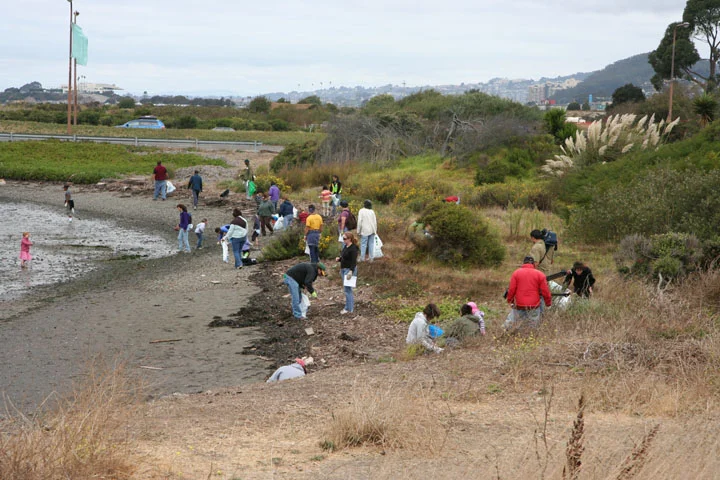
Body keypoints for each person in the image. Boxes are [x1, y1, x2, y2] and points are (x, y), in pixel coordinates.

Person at [504, 256, 552, 330]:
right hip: (534, 306)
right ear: (533, 264)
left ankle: (504, 334)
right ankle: (528, 337)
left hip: (519, 305)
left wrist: (510, 301)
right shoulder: (540, 274)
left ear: (523, 263)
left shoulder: (516, 273)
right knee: (532, 327)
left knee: (510, 323)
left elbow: (511, 289)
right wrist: (548, 303)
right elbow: (545, 291)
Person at [336, 231, 359, 315]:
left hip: (349, 270)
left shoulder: (353, 248)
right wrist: (339, 259)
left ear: (349, 239)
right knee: (347, 290)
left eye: (345, 239)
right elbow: (344, 257)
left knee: (347, 290)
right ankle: (350, 307)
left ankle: (348, 308)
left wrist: (351, 271)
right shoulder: (346, 246)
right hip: (343, 269)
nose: (344, 240)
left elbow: (353, 261)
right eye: (343, 238)